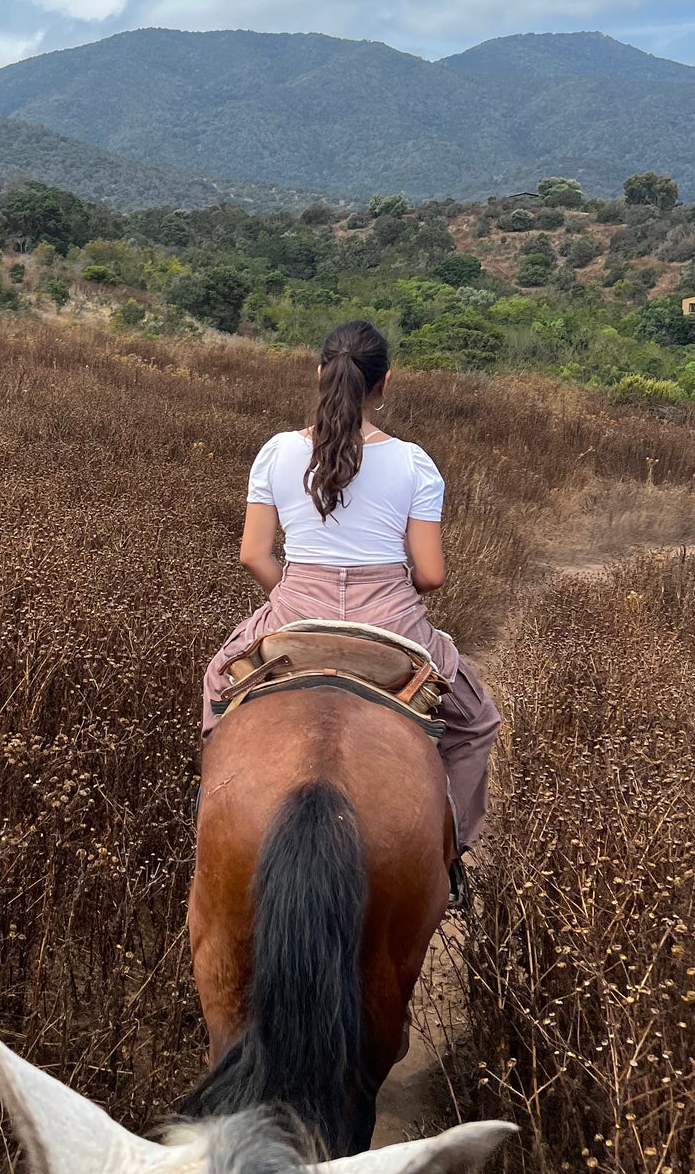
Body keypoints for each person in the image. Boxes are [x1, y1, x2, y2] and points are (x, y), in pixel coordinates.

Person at [202, 319, 501, 857]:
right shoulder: (415, 463)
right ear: (384, 384)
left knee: (217, 685)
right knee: (477, 722)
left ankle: (213, 829)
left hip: (297, 608)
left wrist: (291, 594)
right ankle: (446, 854)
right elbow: (431, 575)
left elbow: (253, 554)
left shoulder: (275, 453)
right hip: (388, 612)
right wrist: (387, 589)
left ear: (320, 375)